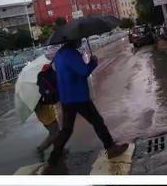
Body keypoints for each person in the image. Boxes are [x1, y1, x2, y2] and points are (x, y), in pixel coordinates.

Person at [46, 38, 128, 167]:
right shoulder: (71, 53)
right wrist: (93, 62)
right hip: (78, 96)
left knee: (66, 130)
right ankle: (111, 148)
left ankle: (53, 159)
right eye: (79, 40)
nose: (80, 42)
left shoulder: (59, 54)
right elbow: (83, 71)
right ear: (72, 40)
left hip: (66, 99)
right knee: (97, 122)